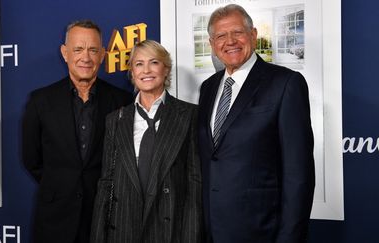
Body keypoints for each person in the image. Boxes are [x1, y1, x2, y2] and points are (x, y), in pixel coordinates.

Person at [198, 4, 315, 243]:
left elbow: (299, 175)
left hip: (262, 232)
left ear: (253, 35)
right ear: (212, 44)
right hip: (211, 231)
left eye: (238, 32)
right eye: (221, 35)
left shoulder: (285, 84)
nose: (230, 41)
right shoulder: (208, 88)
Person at [21, 20, 133, 243]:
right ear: (65, 53)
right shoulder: (40, 101)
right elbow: (31, 160)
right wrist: (62, 184)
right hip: (55, 218)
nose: (86, 57)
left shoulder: (122, 101)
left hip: (106, 218)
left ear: (102, 54)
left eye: (93, 50)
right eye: (78, 49)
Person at [90, 40, 203, 243]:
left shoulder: (189, 115)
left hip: (169, 232)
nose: (146, 70)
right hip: (123, 230)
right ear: (132, 73)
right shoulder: (115, 120)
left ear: (166, 69)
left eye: (154, 62)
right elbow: (106, 183)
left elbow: (194, 186)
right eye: (139, 64)